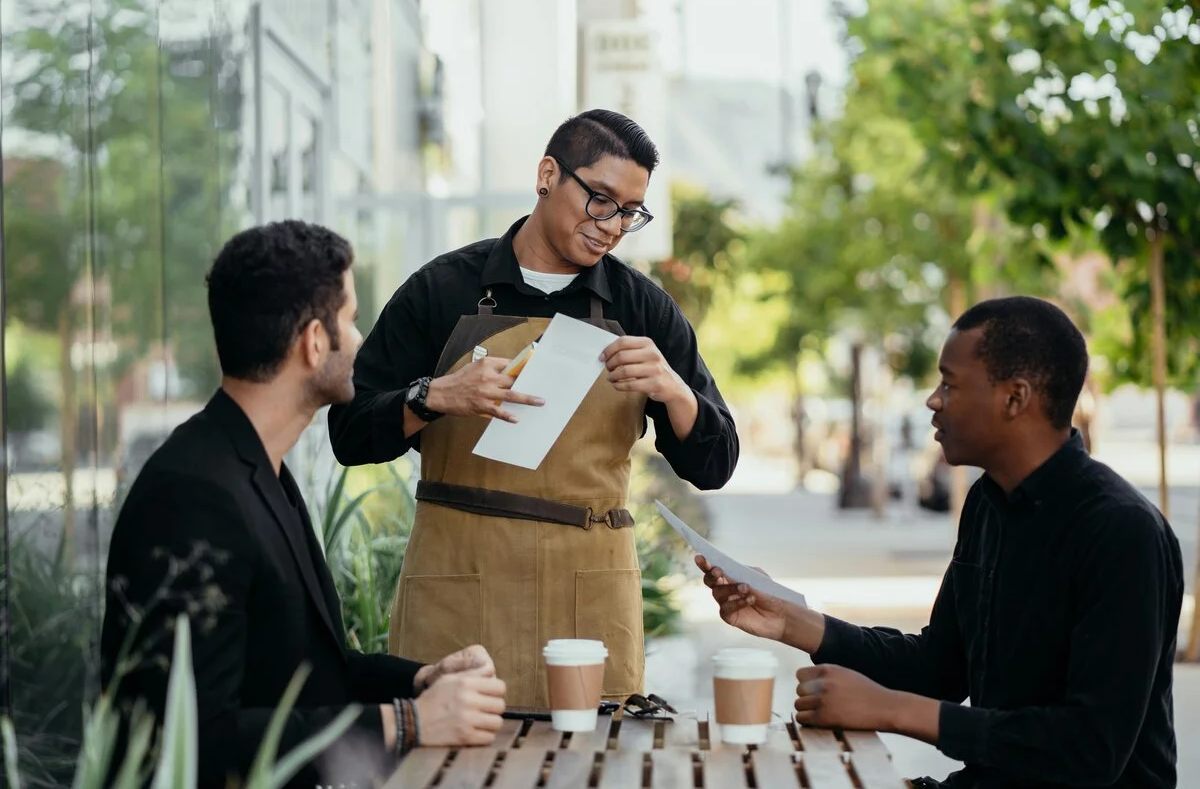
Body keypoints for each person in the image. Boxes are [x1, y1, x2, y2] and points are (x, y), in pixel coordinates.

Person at [327, 109, 739, 707]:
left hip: (589, 602)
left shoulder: (643, 308)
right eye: (601, 199)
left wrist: (675, 391)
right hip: (458, 590)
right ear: (548, 174)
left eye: (630, 212)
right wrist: (434, 396)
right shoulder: (440, 290)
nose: (612, 226)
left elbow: (717, 462)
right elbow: (349, 435)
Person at [699, 296, 1183, 788]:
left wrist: (889, 710)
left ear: (1015, 398)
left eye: (949, 384)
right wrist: (793, 621)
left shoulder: (1121, 531)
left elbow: (1090, 749)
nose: (932, 400)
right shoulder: (988, 504)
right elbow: (940, 668)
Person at [100, 221, 508, 789]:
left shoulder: (260, 468)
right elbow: (191, 740)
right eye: (350, 319)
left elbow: (303, 678)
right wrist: (407, 722)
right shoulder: (193, 495)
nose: (360, 339)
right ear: (314, 341)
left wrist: (421, 680)